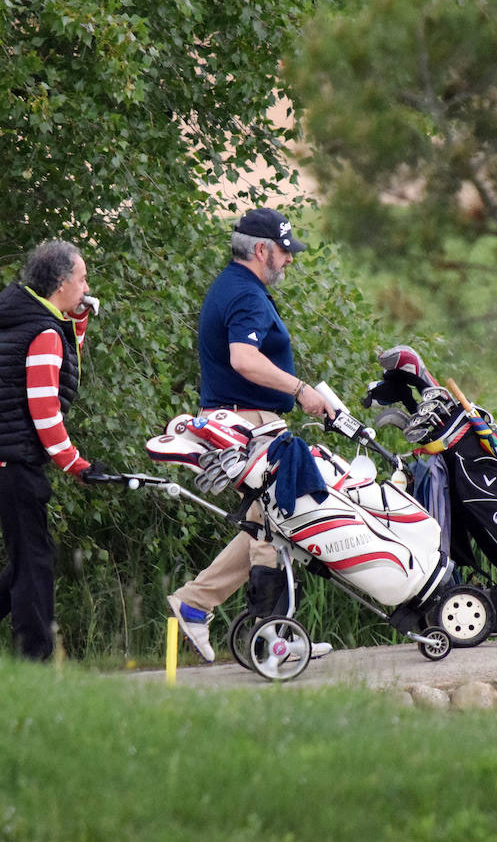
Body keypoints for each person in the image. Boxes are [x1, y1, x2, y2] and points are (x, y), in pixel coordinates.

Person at [165, 207, 337, 662]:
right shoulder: (245, 295)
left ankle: (213, 610)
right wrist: (300, 390)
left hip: (246, 420)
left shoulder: (236, 287)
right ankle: (270, 638)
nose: (289, 260)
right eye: (284, 251)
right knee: (278, 524)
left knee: (267, 524)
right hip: (249, 423)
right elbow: (244, 359)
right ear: (262, 250)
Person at [0, 240, 103, 661]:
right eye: (82, 279)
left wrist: (79, 323)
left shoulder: (24, 317)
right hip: (13, 462)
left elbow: (62, 365)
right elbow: (45, 411)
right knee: (35, 564)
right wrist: (75, 465)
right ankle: (35, 659)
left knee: (31, 556)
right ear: (62, 283)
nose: (87, 286)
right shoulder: (44, 332)